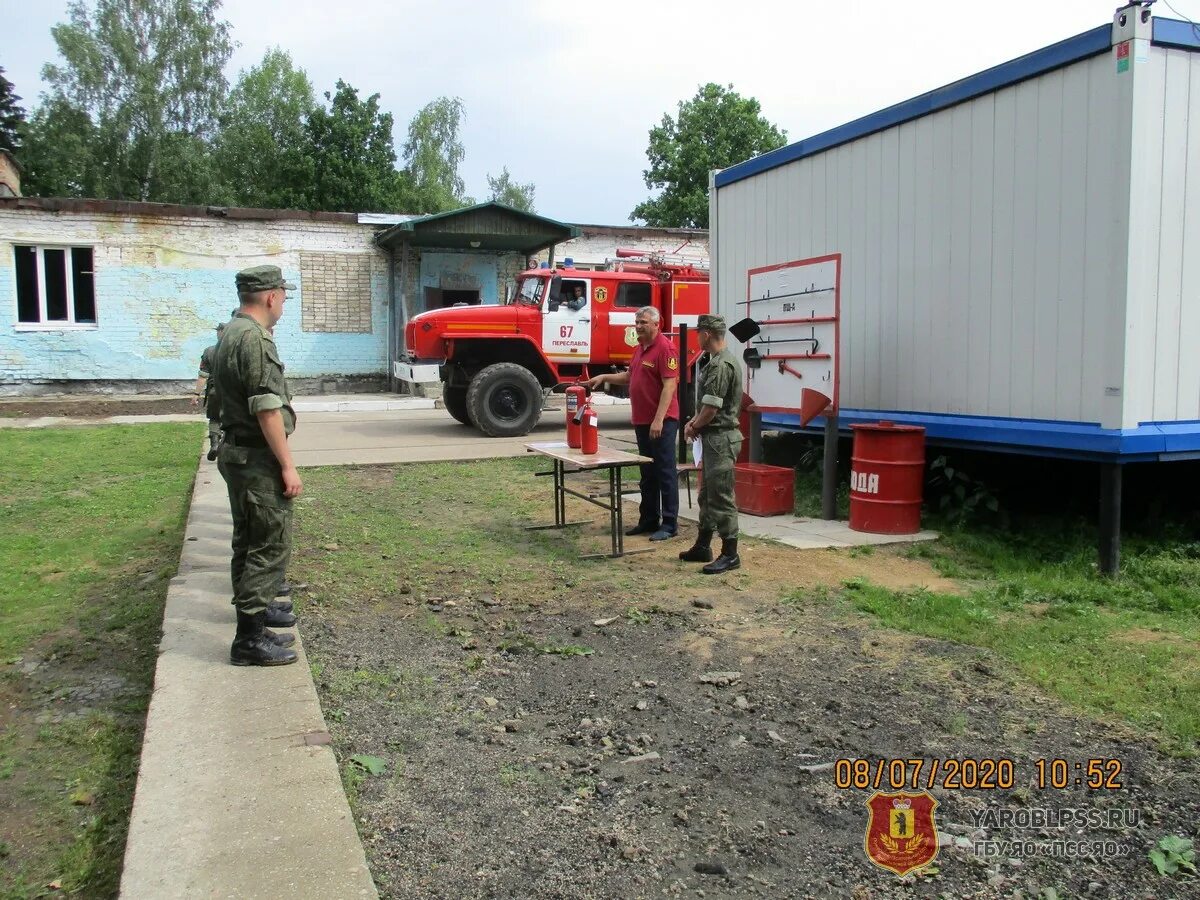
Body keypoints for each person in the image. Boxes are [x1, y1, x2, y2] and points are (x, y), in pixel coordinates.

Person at [215, 265, 303, 666]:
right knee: (268, 542)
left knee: (248, 540)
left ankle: (258, 612)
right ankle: (248, 640)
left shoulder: (232, 331)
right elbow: (267, 408)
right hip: (254, 458)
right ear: (270, 296)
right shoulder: (253, 339)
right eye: (283, 295)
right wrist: (287, 465)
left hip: (237, 453)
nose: (284, 301)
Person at [586, 305, 680, 541]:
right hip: (642, 421)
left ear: (656, 325)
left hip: (662, 422)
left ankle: (669, 524)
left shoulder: (665, 349)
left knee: (665, 472)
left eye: (643, 323)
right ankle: (649, 519)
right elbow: (629, 377)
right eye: (636, 322)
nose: (638, 327)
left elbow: (670, 386)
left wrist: (658, 420)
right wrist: (605, 376)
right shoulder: (640, 349)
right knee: (647, 472)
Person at [681, 314, 744, 574]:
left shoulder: (720, 365)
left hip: (721, 439)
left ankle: (730, 554)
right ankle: (703, 545)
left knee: (721, 497)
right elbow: (705, 407)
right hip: (713, 439)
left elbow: (711, 409)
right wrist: (693, 423)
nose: (697, 337)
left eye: (699, 332)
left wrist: (694, 425)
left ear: (707, 334)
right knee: (707, 495)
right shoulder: (716, 361)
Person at [194, 322, 224, 461]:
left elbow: (203, 375)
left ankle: (214, 444)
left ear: (218, 334)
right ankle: (227, 447)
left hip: (214, 391)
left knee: (214, 418)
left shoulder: (209, 351)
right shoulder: (236, 350)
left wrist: (196, 394)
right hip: (233, 393)